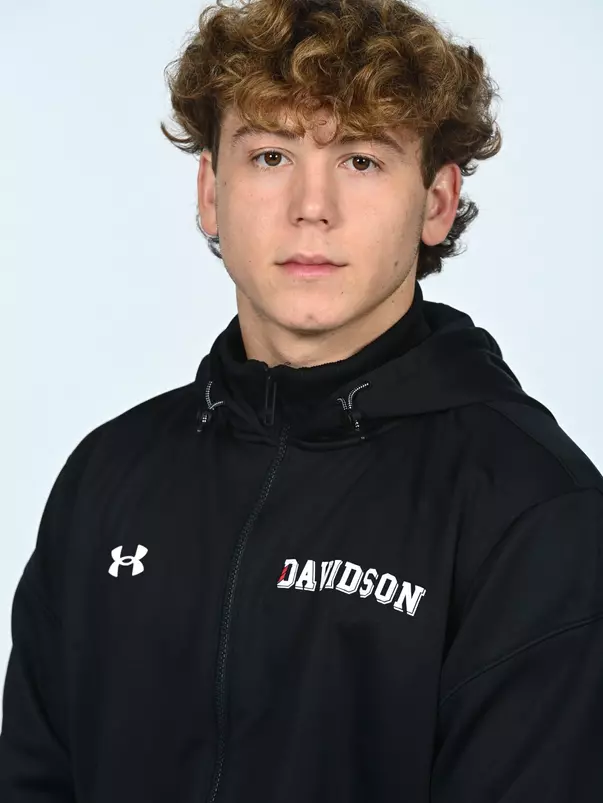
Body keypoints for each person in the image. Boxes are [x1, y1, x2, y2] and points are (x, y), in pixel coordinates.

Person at [1, 0, 602, 800]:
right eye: (271, 155)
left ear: (435, 202)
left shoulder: (531, 510)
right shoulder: (107, 478)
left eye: (360, 159)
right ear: (211, 192)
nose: (310, 207)